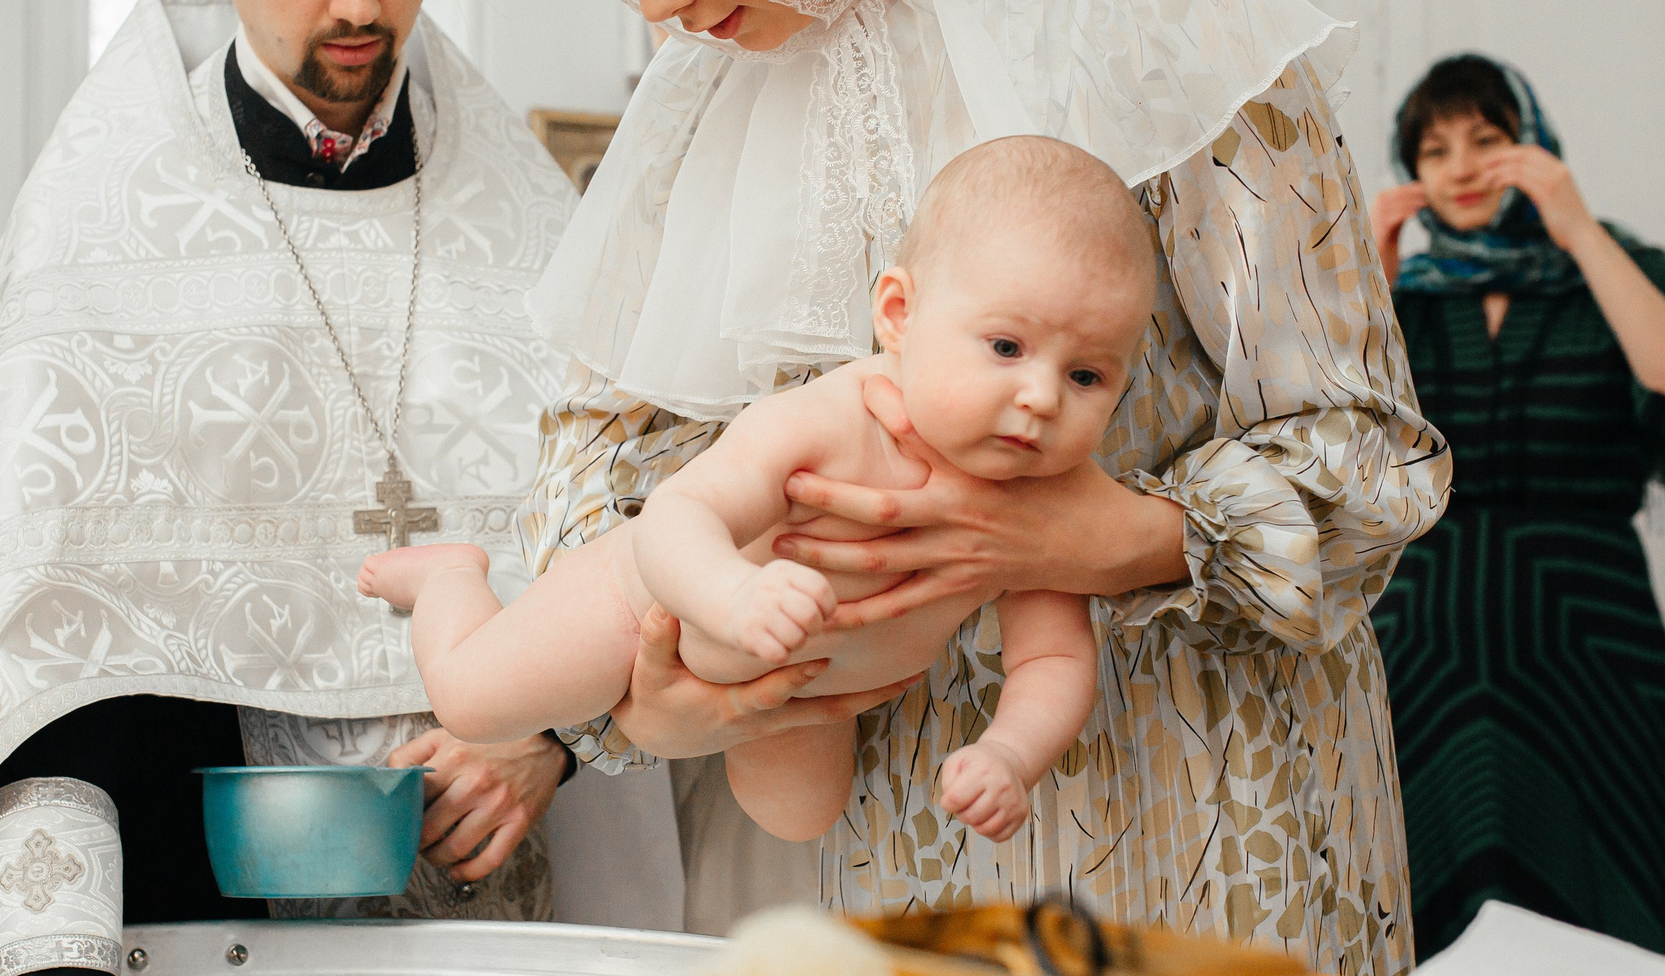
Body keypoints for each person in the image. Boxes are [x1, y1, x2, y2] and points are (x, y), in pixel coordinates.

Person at [452, 0, 1449, 976]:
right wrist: (668, 694)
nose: (656, 1)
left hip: (1193, 823)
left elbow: (1373, 461)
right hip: (847, 858)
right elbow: (598, 503)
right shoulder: (692, 112)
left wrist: (1071, 544)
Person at [0, 0, 654, 976]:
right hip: (184, 943)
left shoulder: (531, 225)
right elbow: (43, 640)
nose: (359, 2)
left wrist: (549, 726)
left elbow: (636, 534)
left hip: (479, 944)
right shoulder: (98, 225)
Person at [366, 138, 1153, 847]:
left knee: (800, 818)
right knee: (472, 699)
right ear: (899, 315)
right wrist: (734, 596)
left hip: (807, 680)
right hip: (645, 601)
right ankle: (450, 576)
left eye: (1087, 374)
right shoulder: (834, 418)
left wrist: (1010, 753)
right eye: (1006, 347)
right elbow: (678, 515)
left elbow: (1053, 655)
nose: (1042, 397)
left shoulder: (1047, 499)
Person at [1366, 54, 1665, 972]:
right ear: (1411, 171)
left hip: (1591, 625)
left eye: (1488, 138)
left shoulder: (1619, 263)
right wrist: (1371, 270)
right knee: (1420, 890)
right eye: (1432, 150)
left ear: (1537, 145)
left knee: (1636, 875)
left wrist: (1579, 228)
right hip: (1423, 631)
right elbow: (1341, 437)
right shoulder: (1406, 292)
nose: (1461, 167)